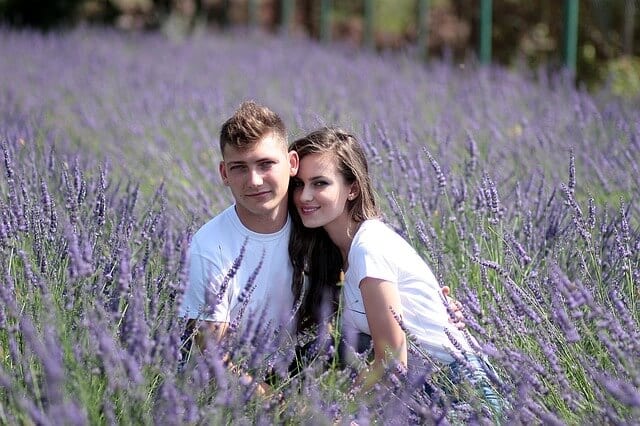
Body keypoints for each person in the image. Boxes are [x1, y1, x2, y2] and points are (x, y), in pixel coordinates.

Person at [288, 127, 504, 415]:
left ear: (352, 188)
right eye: (298, 185)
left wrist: (342, 414)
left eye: (320, 184)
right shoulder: (336, 253)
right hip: (425, 380)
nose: (305, 196)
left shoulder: (368, 247)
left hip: (463, 391)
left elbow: (392, 361)